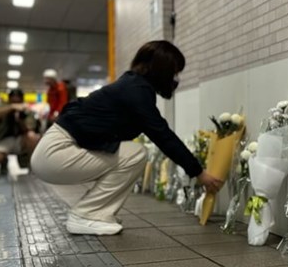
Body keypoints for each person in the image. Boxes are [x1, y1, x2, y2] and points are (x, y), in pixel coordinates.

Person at [31, 40, 223, 236]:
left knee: (130, 152)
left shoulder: (132, 85)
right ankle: (87, 214)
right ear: (161, 69)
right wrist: (199, 172)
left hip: (54, 149)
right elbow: (163, 135)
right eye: (174, 72)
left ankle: (95, 213)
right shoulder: (136, 90)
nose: (175, 78)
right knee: (136, 154)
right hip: (55, 152)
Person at [0, 88, 41, 171]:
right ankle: (3, 161)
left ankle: (27, 161)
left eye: (18, 99)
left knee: (32, 136)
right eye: (13, 99)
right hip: (2, 139)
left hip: (20, 140)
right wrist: (12, 107)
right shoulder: (3, 107)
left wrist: (21, 119)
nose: (16, 101)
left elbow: (30, 128)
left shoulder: (27, 111)